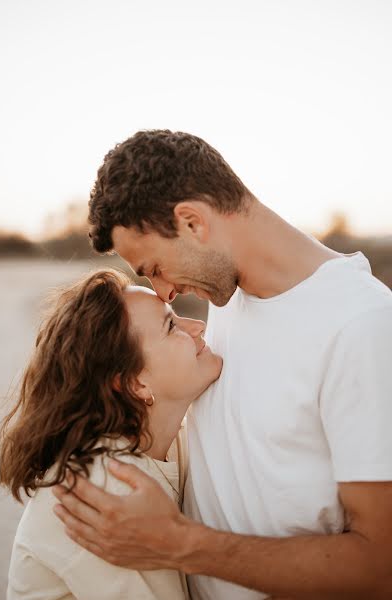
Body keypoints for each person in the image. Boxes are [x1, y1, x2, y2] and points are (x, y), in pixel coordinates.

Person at [53, 130, 392, 599]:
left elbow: (380, 567)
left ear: (192, 222)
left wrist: (178, 545)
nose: (164, 293)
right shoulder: (228, 292)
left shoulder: (361, 325)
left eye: (153, 268)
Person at [0, 268, 222, 600]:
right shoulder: (105, 486)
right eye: (171, 326)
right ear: (135, 382)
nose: (197, 326)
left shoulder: (168, 442)